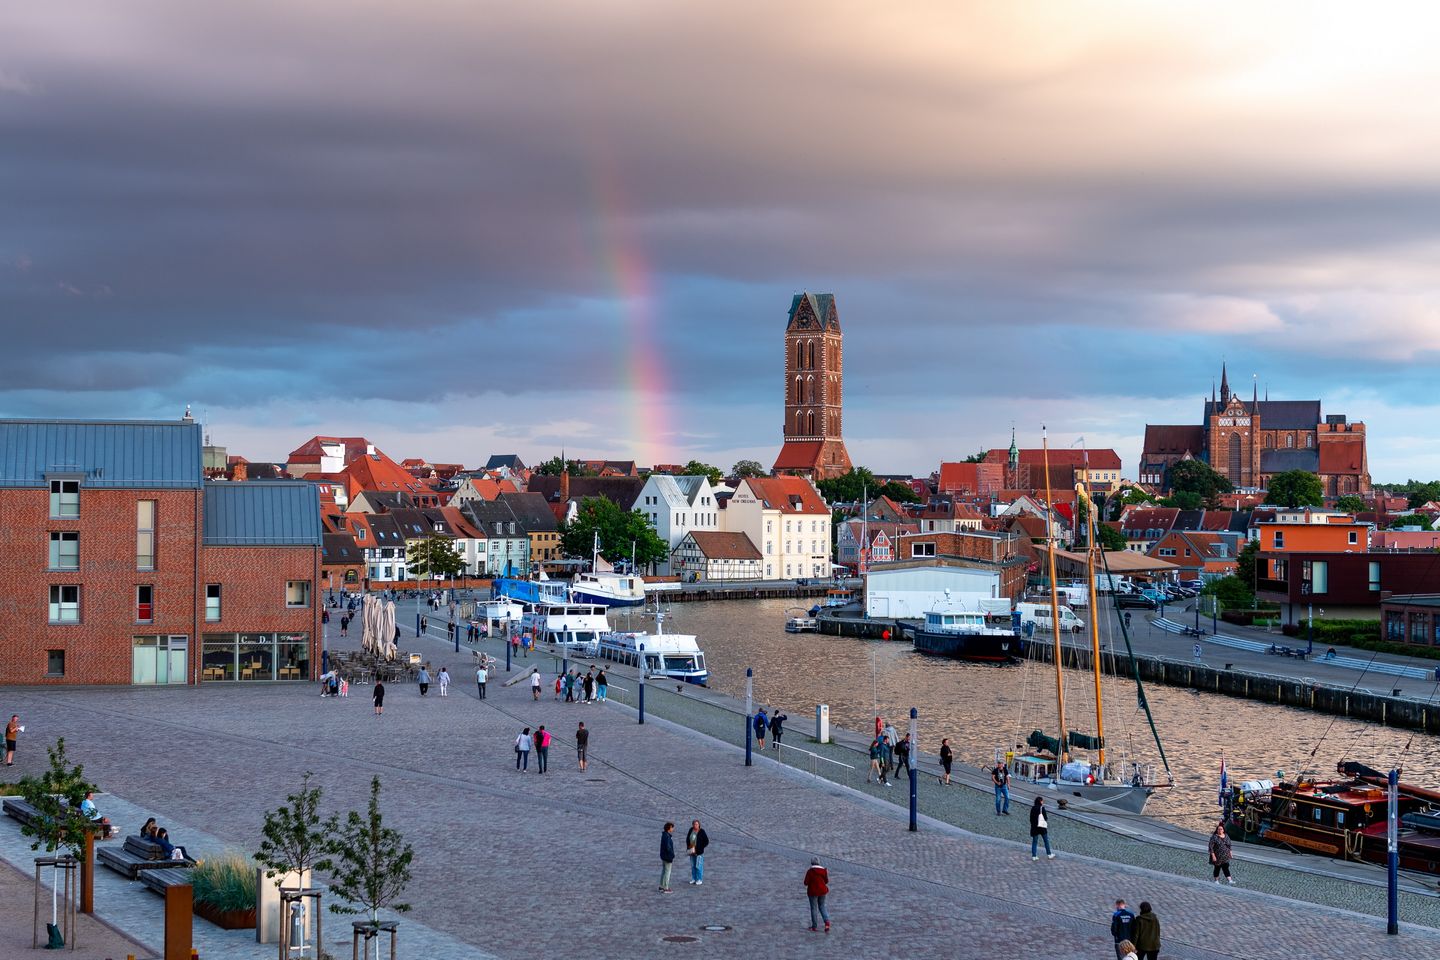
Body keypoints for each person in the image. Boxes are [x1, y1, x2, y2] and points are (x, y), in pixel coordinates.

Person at [803, 857, 831, 933]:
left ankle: (814, 926)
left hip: (813, 892)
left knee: (814, 908)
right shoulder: (824, 870)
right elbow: (826, 881)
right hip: (823, 891)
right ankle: (827, 922)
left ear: (811, 863)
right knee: (822, 906)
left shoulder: (810, 871)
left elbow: (805, 883)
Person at [1029, 796, 1054, 860]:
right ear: (1040, 801)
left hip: (1034, 827)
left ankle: (1034, 856)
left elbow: (1031, 819)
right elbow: (1045, 818)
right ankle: (1049, 854)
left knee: (1034, 842)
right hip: (1041, 827)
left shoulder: (1033, 808)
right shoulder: (1042, 808)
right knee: (1046, 841)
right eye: (1042, 801)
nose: (1043, 802)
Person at [686, 819, 709, 885]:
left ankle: (699, 879)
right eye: (694, 824)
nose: (695, 825)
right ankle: (694, 878)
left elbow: (706, 841)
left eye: (697, 824)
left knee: (698, 866)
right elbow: (687, 839)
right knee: (693, 866)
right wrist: (688, 846)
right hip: (692, 851)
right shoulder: (691, 830)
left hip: (699, 852)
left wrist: (701, 847)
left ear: (699, 825)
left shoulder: (702, 831)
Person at [659, 822, 676, 893]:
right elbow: (668, 847)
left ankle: (661, 886)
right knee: (667, 872)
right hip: (667, 857)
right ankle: (665, 888)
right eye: (672, 827)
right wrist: (672, 855)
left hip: (663, 856)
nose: (673, 829)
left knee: (664, 871)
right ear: (669, 828)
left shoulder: (664, 835)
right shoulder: (667, 836)